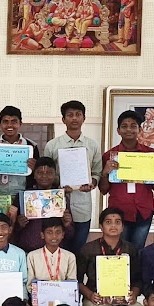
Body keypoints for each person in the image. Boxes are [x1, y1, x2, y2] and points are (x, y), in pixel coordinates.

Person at [44, 100, 102, 254]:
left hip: (83, 205)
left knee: (78, 250)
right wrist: (58, 184)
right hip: (58, 204)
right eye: (70, 115)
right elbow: (45, 174)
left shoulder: (92, 145)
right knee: (58, 248)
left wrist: (92, 183)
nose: (74, 118)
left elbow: (97, 172)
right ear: (63, 119)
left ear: (84, 118)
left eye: (78, 114)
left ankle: (75, 278)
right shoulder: (52, 145)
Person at [77, 208, 143, 306]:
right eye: (108, 222)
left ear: (123, 227)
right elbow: (77, 281)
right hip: (97, 300)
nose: (113, 226)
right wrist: (90, 295)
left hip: (124, 299)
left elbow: (138, 280)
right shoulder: (88, 249)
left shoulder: (130, 249)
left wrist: (133, 294)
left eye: (118, 222)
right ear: (101, 226)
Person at [100, 110, 154, 248]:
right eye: (124, 126)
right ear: (118, 130)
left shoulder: (150, 154)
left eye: (133, 126)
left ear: (139, 130)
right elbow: (103, 190)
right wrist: (105, 173)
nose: (129, 129)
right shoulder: (109, 156)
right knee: (118, 251)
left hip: (143, 211)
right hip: (118, 213)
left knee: (138, 252)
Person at [23, 217, 74, 306]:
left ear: (63, 235)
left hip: (63, 302)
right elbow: (30, 285)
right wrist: (44, 299)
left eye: (58, 232)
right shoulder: (33, 256)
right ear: (42, 235)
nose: (54, 236)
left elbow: (71, 283)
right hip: (41, 302)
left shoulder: (70, 256)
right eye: (49, 232)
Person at [12, 157, 69, 252]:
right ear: (34, 175)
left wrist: (68, 224)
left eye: (49, 173)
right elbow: (12, 230)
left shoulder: (61, 197)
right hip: (28, 251)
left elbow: (70, 234)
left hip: (54, 252)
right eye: (40, 173)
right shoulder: (23, 197)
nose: (44, 176)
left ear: (55, 175)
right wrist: (19, 224)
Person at [0, 106, 38, 197]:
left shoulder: (31, 147)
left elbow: (37, 175)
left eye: (14, 122)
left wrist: (35, 168)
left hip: (23, 195)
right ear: (0, 124)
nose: (9, 125)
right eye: (5, 122)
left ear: (20, 124)